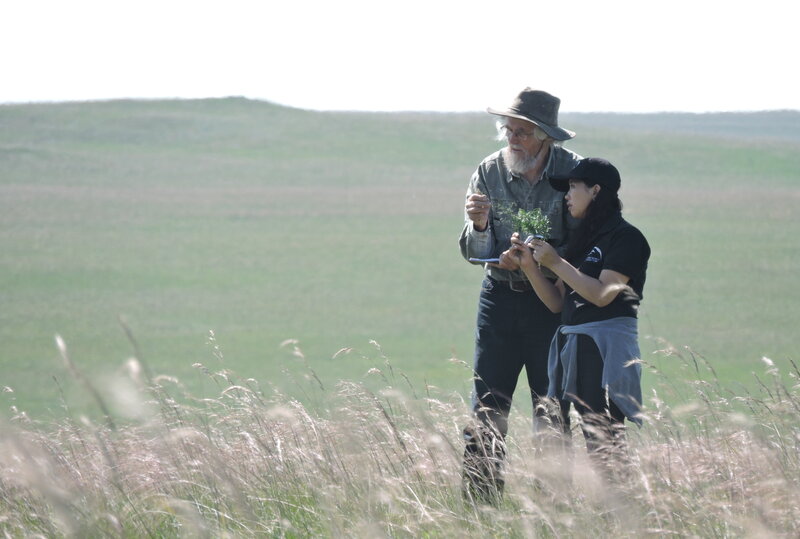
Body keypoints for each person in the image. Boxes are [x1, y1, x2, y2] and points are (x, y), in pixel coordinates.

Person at [458, 88, 581, 501]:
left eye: (522, 132)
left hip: (552, 304)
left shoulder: (575, 175)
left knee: (553, 408)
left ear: (546, 136)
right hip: (500, 297)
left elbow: (589, 247)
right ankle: (479, 505)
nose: (512, 139)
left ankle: (554, 505)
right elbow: (475, 250)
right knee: (487, 405)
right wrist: (481, 231)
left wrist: (540, 262)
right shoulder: (488, 171)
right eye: (507, 130)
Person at [508, 157, 650, 475]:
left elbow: (602, 294)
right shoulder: (582, 241)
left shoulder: (626, 237)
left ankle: (621, 509)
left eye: (573, 187)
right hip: (576, 344)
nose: (567, 195)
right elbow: (557, 302)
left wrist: (557, 263)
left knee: (604, 436)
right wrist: (530, 266)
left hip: (605, 348)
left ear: (596, 190)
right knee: (591, 432)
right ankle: (611, 512)